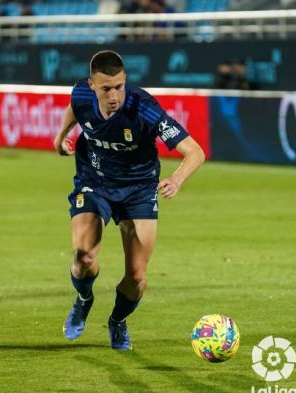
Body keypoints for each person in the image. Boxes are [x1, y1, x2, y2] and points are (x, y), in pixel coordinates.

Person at [54, 50, 204, 350]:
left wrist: (176, 179)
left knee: (136, 277)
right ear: (92, 84)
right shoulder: (81, 93)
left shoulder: (144, 108)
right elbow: (76, 107)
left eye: (119, 86)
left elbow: (195, 151)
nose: (114, 95)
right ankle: (84, 299)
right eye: (106, 88)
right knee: (83, 256)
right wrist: (61, 137)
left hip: (139, 190)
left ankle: (118, 321)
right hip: (94, 181)